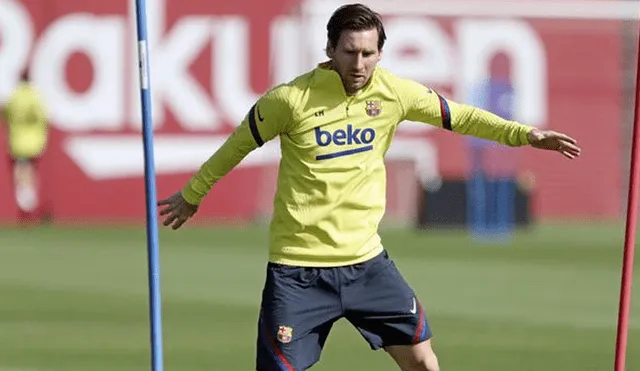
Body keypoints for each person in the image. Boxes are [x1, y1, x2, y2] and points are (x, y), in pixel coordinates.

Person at [158, 4, 581, 370]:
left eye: (368, 53)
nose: (359, 64)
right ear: (329, 50)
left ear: (380, 53)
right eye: (349, 52)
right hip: (298, 270)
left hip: (368, 264)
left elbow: (462, 116)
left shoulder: (394, 92)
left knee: (422, 360)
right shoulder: (289, 100)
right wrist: (193, 195)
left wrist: (525, 134)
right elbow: (236, 146)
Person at [1, 69, 49, 224]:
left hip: (18, 141)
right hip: (35, 142)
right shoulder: (36, 97)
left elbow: (5, 114)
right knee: (30, 169)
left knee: (21, 169)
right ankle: (29, 197)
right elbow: (44, 117)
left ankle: (24, 198)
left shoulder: (14, 97)